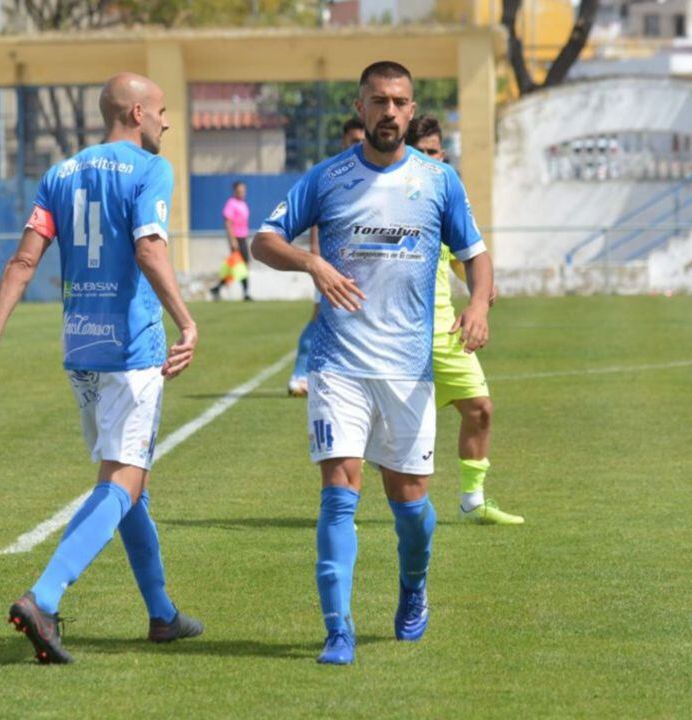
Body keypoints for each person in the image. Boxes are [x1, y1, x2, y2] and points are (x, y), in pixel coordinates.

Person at [252, 61, 493, 665]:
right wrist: (312, 264)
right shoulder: (326, 178)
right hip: (338, 365)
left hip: (407, 368)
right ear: (360, 108)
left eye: (400, 101)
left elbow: (476, 254)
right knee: (339, 492)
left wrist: (480, 304)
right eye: (378, 101)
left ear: (412, 111)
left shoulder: (439, 181)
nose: (389, 112)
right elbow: (264, 240)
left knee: (410, 507)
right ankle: (339, 630)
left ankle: (413, 587)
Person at [0, 72, 203, 665]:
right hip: (131, 352)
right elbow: (150, 247)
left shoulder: (60, 174)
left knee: (131, 485)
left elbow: (25, 258)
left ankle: (161, 614)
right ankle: (43, 598)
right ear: (134, 112)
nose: (166, 122)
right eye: (161, 111)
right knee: (122, 480)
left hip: (80, 350)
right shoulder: (152, 170)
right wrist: (187, 320)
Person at [406, 115, 523, 526]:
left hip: (442, 329)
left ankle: (472, 500)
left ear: (443, 154)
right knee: (383, 430)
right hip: (396, 333)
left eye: (433, 151)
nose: (427, 158)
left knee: (480, 409)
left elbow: (464, 254)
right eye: (418, 151)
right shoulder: (389, 195)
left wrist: (477, 297)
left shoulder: (445, 192)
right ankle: (342, 506)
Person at [288, 117, 365, 396]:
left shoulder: (371, 172)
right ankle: (299, 375)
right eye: (353, 140)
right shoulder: (332, 173)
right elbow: (317, 222)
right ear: (344, 141)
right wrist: (317, 260)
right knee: (320, 317)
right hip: (330, 267)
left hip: (362, 265)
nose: (358, 144)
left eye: (361, 139)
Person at [210, 180, 253, 301]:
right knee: (242, 266)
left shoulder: (243, 204)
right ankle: (246, 293)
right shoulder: (231, 203)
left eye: (244, 191)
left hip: (243, 238)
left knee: (236, 267)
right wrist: (232, 240)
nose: (242, 193)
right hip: (237, 238)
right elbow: (228, 222)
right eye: (240, 191)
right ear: (235, 191)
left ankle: (217, 288)